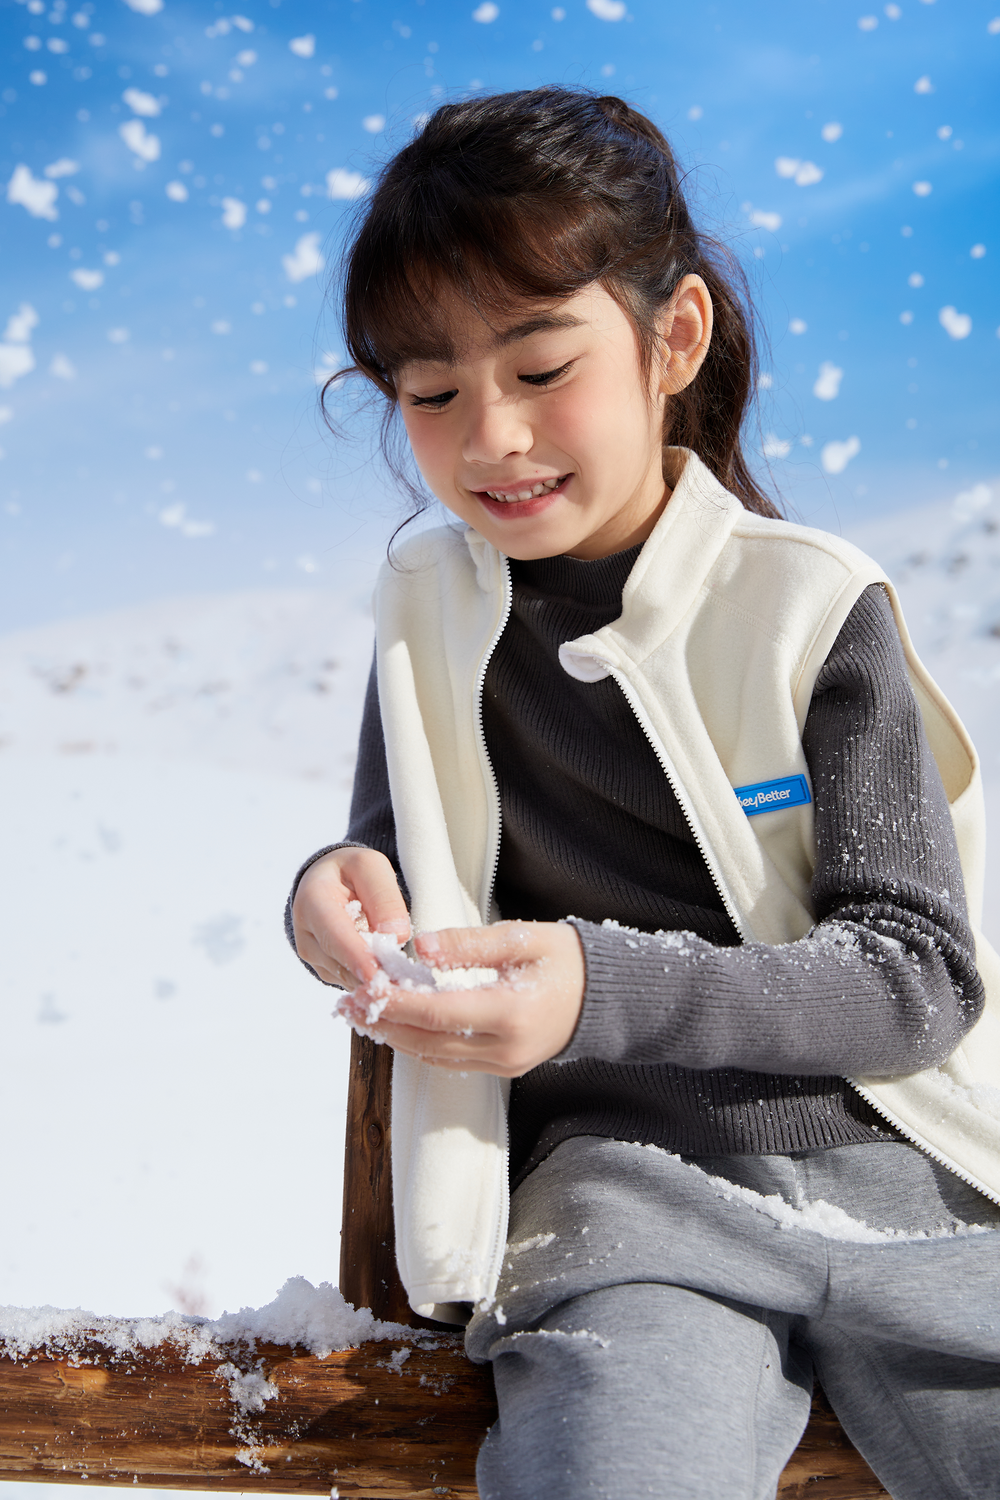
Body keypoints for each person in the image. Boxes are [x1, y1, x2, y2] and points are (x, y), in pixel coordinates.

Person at [288, 89, 1000, 1500]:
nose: (487, 436)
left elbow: (919, 977)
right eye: (429, 395)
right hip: (624, 1214)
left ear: (671, 340)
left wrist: (593, 988)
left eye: (541, 368)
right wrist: (332, 890)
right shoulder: (426, 614)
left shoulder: (810, 603)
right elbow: (400, 854)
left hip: (922, 1204)